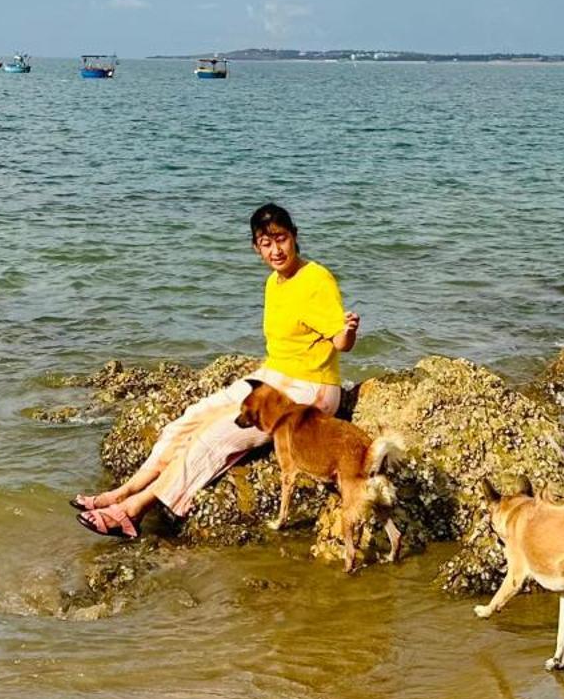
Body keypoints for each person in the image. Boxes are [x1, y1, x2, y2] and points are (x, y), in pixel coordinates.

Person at [75, 203, 360, 537]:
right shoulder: (274, 283)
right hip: (272, 377)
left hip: (310, 389)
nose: (275, 250)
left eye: (280, 239)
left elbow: (341, 342)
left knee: (212, 437)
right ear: (256, 248)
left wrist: (349, 331)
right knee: (191, 419)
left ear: (294, 237)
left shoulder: (316, 278)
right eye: (265, 243)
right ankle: (121, 492)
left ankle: (132, 510)